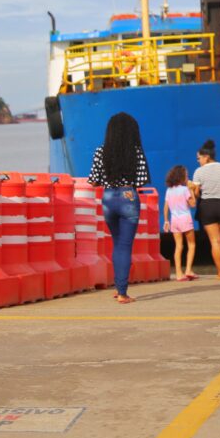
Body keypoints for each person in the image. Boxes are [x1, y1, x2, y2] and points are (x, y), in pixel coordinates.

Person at [87, 112, 150, 303]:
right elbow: (142, 180)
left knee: (116, 244)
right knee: (124, 246)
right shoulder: (136, 152)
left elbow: (93, 181)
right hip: (128, 196)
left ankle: (118, 287)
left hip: (108, 198)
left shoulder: (100, 151)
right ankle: (122, 292)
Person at [193, 139, 220, 279]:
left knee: (215, 241)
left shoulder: (198, 172)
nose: (198, 161)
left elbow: (196, 193)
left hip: (208, 206)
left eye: (199, 158)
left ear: (206, 157)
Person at [163, 165, 197, 282]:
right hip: (185, 219)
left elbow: (166, 207)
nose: (187, 177)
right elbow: (193, 204)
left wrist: (166, 220)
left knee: (178, 246)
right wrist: (192, 190)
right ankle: (188, 270)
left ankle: (178, 273)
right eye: (186, 175)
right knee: (191, 244)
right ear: (181, 177)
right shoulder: (185, 189)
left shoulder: (169, 190)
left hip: (174, 220)